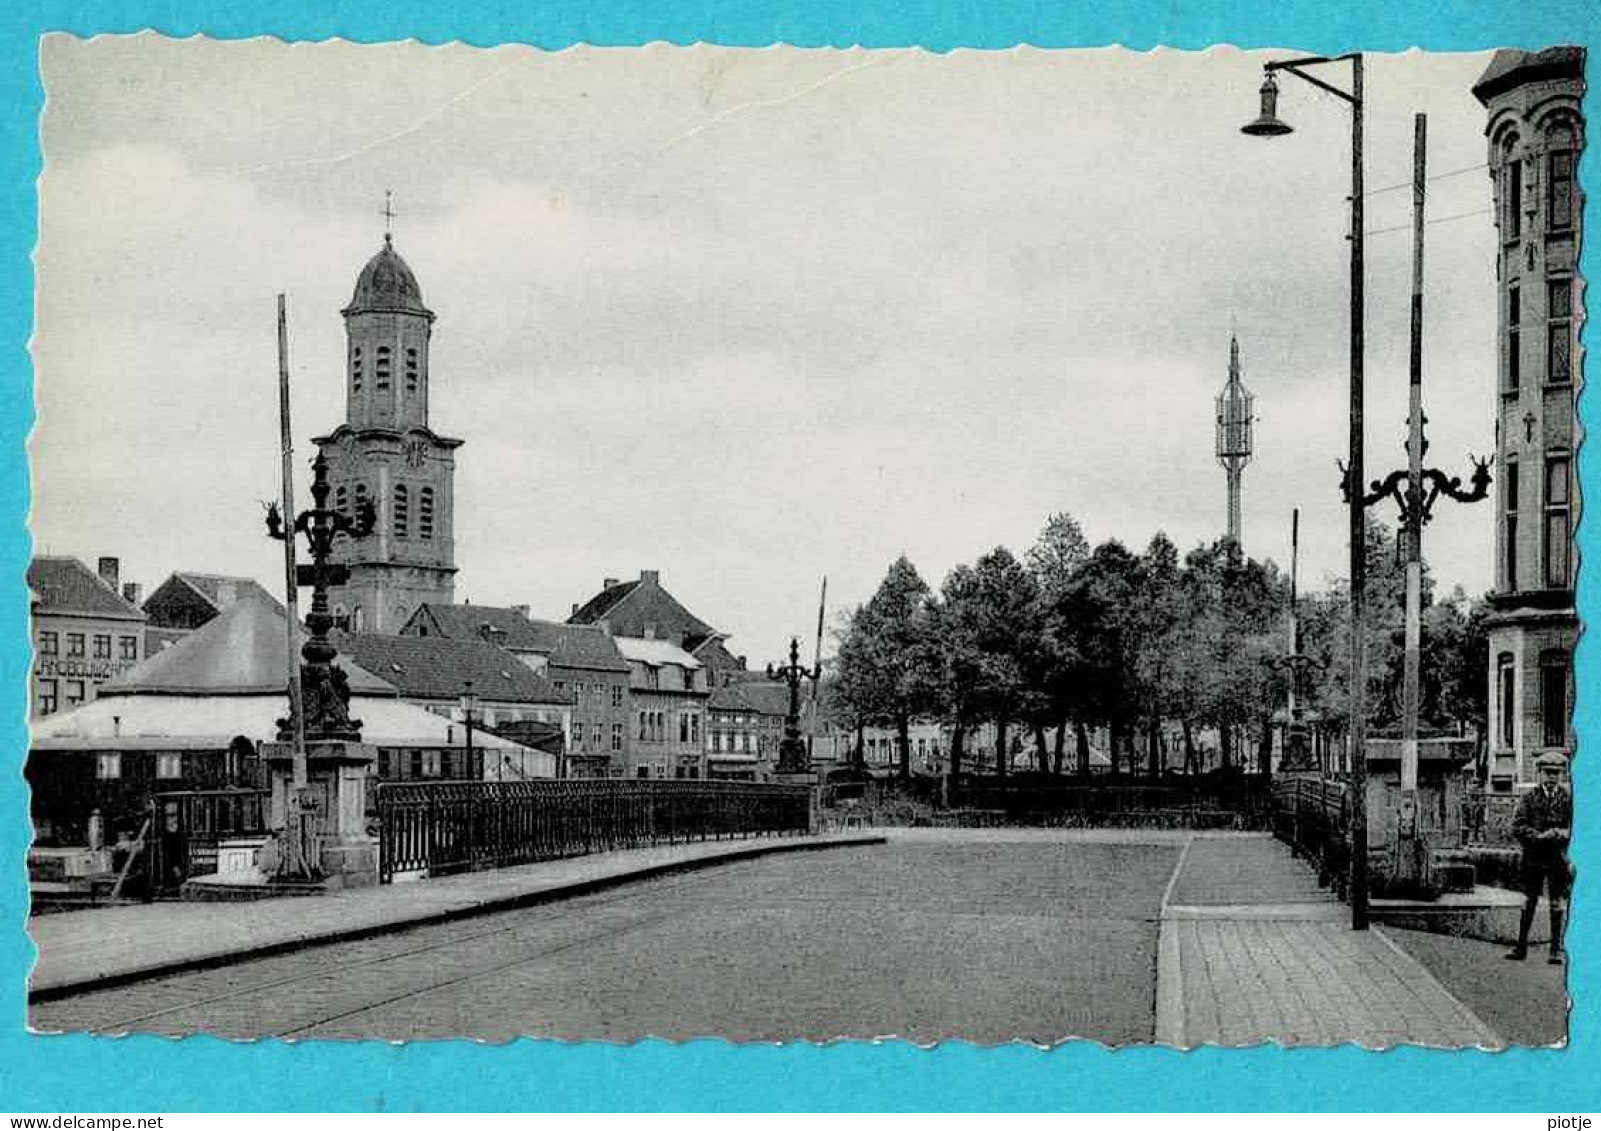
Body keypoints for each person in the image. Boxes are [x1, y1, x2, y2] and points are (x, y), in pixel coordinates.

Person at [1506, 751, 1572, 963]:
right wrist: (1538, 835)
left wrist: (1562, 833)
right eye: (1548, 773)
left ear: (1562, 775)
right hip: (1533, 856)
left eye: (1557, 773)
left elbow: (1578, 827)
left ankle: (1554, 950)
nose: (1552, 777)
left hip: (1557, 858)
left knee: (1556, 903)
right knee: (1529, 900)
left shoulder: (1568, 799)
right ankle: (1521, 947)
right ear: (1540, 773)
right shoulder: (1529, 798)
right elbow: (1517, 826)